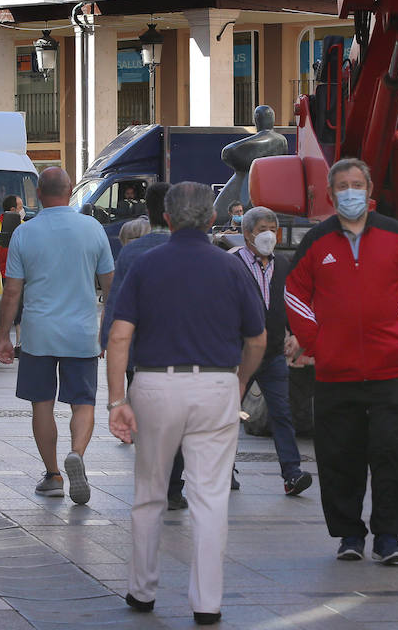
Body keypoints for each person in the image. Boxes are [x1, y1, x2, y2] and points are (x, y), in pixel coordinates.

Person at [106, 181, 267, 624]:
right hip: (215, 385)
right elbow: (257, 339)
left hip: (156, 384)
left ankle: (142, 591)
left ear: (169, 219)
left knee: (149, 492)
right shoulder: (233, 268)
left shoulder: (145, 263)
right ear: (212, 219)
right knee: (210, 497)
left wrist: (117, 398)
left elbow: (120, 334)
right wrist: (239, 381)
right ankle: (207, 603)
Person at [284, 157, 398, 566]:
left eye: (357, 185)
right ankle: (349, 534)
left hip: (388, 373)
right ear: (331, 196)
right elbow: (295, 293)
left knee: (387, 454)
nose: (350, 192)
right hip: (334, 374)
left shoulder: (394, 236)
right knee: (338, 458)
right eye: (342, 186)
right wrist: (316, 342)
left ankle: (389, 538)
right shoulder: (316, 241)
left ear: (370, 193)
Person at [0, 167, 114, 505]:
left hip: (38, 333)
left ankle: (53, 474)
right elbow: (110, 284)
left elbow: (12, 292)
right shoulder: (92, 228)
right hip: (81, 332)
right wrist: (108, 327)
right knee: (83, 401)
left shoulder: (24, 233)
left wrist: (3, 335)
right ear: (70, 190)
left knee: (42, 405)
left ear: (39, 194)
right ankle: (76, 453)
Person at [99, 182, 189, 510]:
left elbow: (117, 301)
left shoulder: (133, 251)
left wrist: (107, 337)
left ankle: (152, 481)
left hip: (141, 356)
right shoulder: (192, 250)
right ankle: (174, 488)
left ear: (147, 212)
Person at [231, 205, 313, 497]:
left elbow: (292, 301)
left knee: (282, 413)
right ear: (247, 233)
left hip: (274, 354)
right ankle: (224, 469)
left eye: (271, 229)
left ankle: (292, 473)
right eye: (261, 229)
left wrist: (296, 334)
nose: (268, 235)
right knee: (228, 414)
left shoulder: (283, 263)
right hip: (239, 356)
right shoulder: (233, 264)